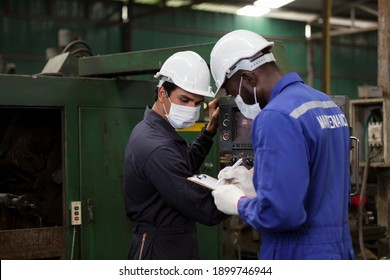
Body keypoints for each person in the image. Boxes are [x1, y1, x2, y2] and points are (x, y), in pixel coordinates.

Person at [210, 29, 355, 260]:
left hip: (299, 254)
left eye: (232, 92)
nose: (236, 100)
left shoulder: (276, 116)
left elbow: (281, 214)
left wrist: (239, 203)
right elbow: (317, 177)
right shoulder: (324, 103)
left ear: (247, 79)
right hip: (337, 250)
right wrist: (256, 183)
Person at [123, 51, 226, 260]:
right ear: (162, 93)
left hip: (169, 242)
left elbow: (182, 166)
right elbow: (202, 207)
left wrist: (209, 131)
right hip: (160, 250)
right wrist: (243, 195)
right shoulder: (156, 147)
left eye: (197, 103)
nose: (191, 108)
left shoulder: (152, 130)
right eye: (185, 99)